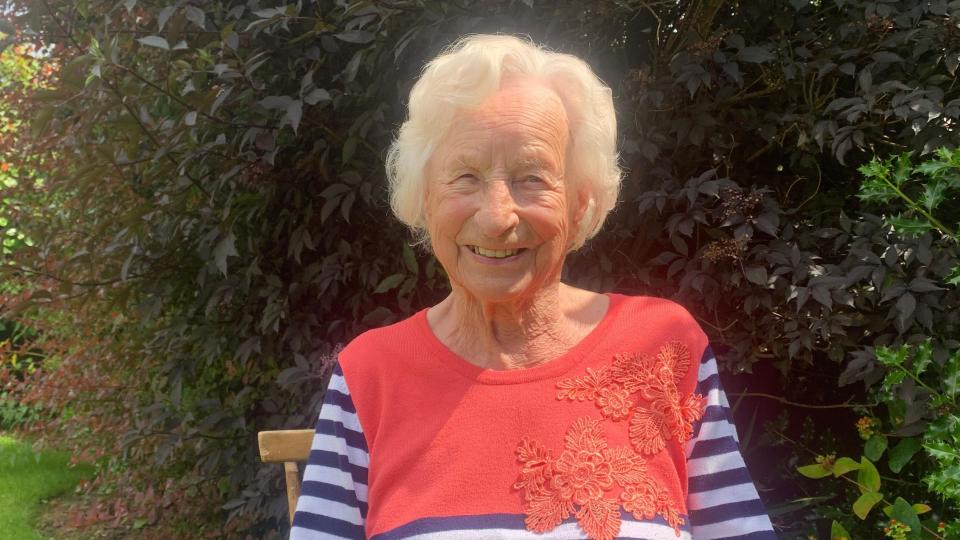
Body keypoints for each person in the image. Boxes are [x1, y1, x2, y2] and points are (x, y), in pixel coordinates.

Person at [290, 34, 775, 540]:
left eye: (532, 178)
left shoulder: (665, 348)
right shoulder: (370, 375)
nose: (497, 217)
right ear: (425, 196)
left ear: (581, 202)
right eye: (465, 177)